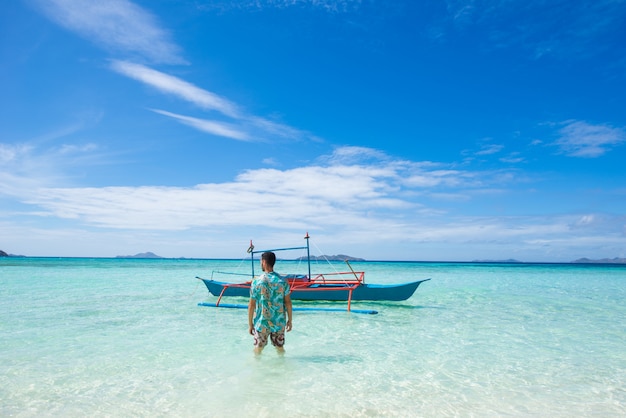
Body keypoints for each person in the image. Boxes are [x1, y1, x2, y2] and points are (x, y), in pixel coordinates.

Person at [248, 251, 293, 354]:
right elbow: (288, 303)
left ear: (264, 262)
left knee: (258, 349)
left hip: (262, 322)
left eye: (260, 261)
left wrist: (250, 324)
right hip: (278, 322)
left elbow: (251, 305)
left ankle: (256, 369)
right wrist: (290, 320)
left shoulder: (256, 281)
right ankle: (283, 367)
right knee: (280, 348)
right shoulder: (283, 281)